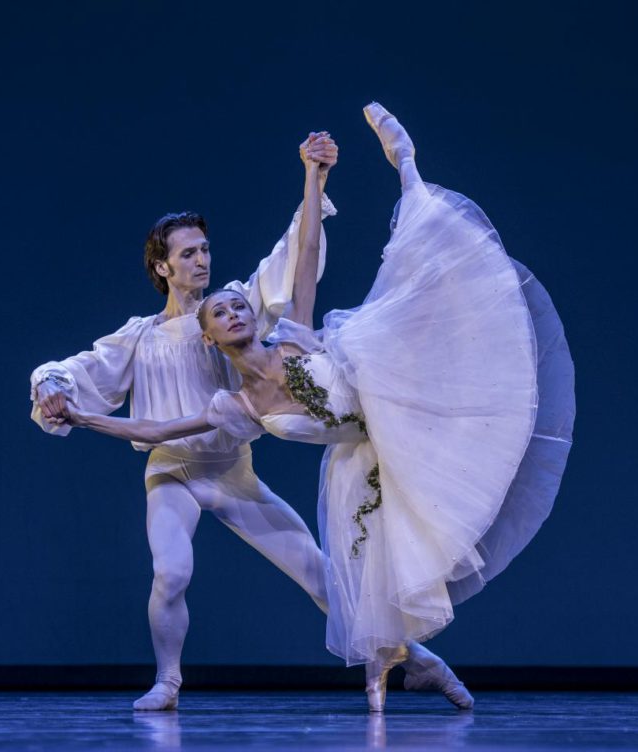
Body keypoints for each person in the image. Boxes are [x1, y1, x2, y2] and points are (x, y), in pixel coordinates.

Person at [61, 103, 575, 712]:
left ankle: (410, 172)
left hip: (273, 453)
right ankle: (169, 681)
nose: (204, 263)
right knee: (175, 572)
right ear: (162, 266)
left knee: (327, 575)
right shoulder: (165, 349)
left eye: (205, 250)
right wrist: (72, 406)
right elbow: (135, 407)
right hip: (179, 468)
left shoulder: (270, 325)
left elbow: (298, 258)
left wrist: (314, 176)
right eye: (189, 253)